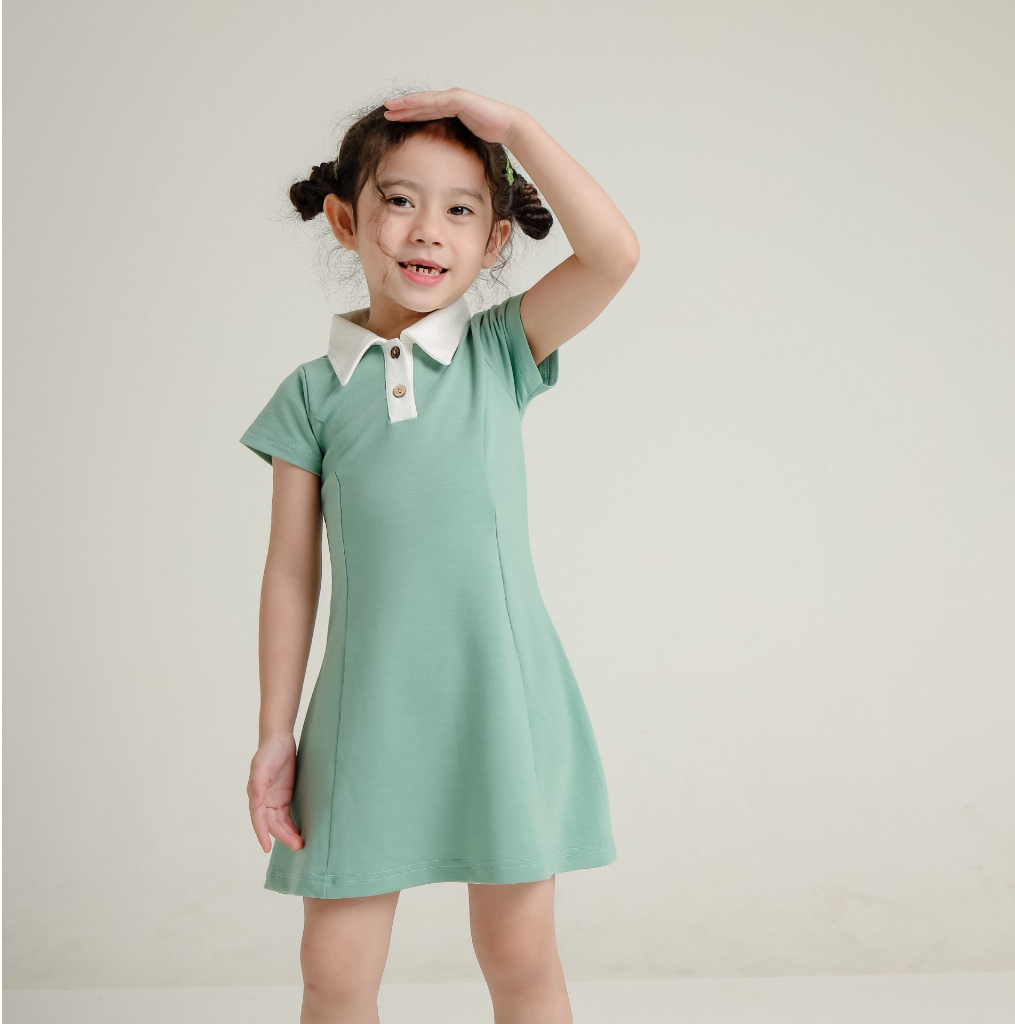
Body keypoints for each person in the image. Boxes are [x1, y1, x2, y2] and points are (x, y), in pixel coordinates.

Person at [241, 87, 640, 1024]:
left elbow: (614, 254)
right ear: (346, 220)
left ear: (495, 242)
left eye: (461, 209)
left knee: (520, 956)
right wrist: (275, 732)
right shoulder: (310, 395)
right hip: (364, 712)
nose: (428, 229)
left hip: (499, 698)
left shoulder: (501, 351)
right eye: (400, 200)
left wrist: (518, 131)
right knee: (333, 971)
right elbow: (291, 572)